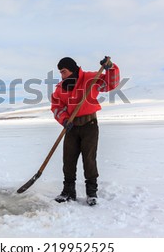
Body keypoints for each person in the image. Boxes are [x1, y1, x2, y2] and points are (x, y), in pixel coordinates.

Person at [51, 56, 119, 206]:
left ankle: (91, 192)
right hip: (71, 127)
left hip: (89, 125)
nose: (61, 75)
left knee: (89, 159)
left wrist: (111, 68)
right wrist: (64, 119)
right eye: (60, 73)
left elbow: (110, 84)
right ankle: (69, 191)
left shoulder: (90, 79)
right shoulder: (60, 88)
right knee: (68, 160)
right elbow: (56, 107)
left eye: (63, 71)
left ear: (72, 69)